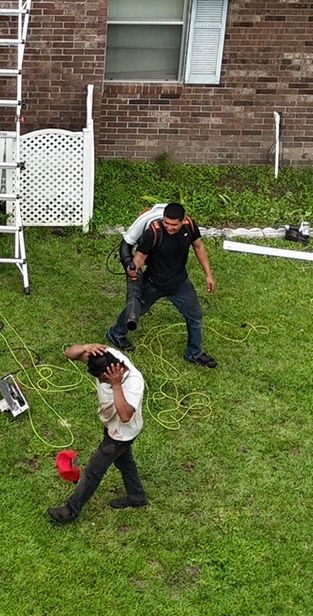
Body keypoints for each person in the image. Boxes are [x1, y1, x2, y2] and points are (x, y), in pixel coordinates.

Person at [110, 199, 217, 368]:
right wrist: (133, 268)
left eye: (174, 224)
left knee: (195, 317)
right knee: (136, 311)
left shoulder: (190, 226)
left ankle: (194, 354)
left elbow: (198, 247)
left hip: (180, 283)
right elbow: (140, 256)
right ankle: (116, 333)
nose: (169, 227)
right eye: (166, 223)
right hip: (154, 283)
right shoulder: (153, 231)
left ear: (182, 221)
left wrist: (209, 275)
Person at [48, 344, 148, 523]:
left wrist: (116, 385)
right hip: (112, 426)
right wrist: (85, 347)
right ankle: (137, 497)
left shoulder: (134, 381)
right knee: (124, 462)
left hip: (121, 433)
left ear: (114, 371)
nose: (101, 382)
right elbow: (69, 353)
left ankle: (70, 510)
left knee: (94, 470)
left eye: (104, 379)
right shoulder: (103, 357)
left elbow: (125, 416)